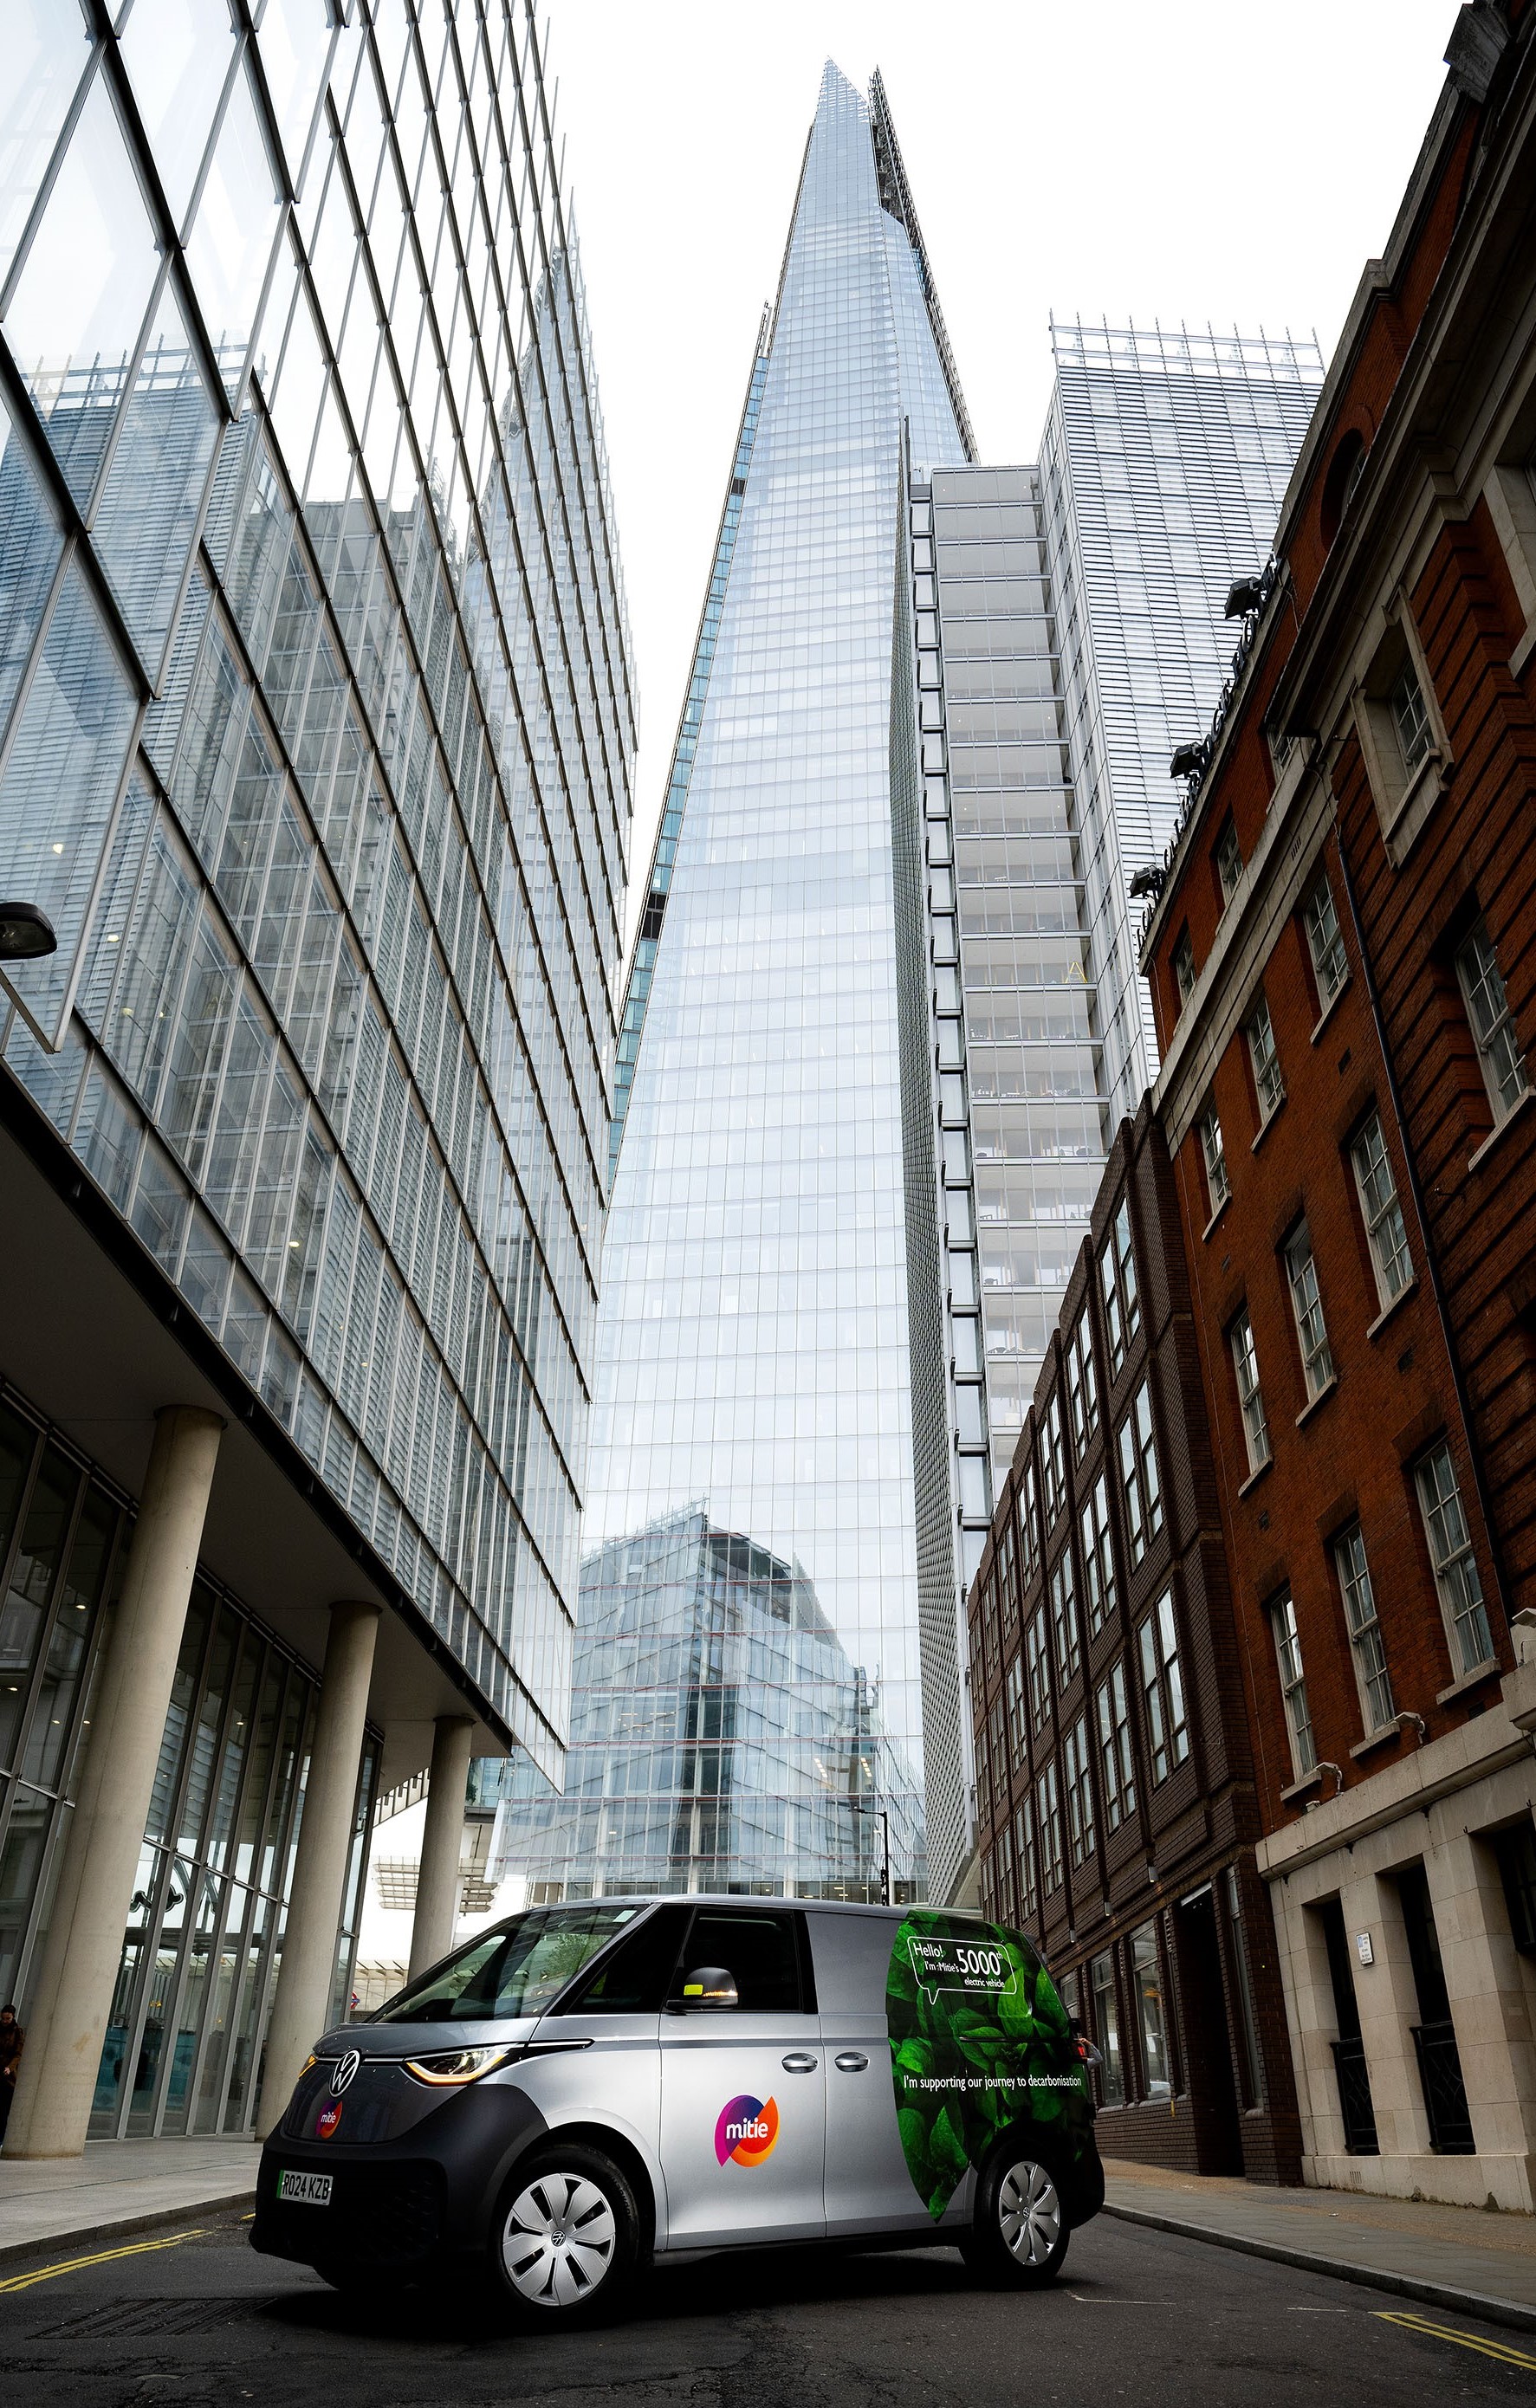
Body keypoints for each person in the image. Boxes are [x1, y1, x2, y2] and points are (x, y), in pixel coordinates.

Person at [0, 2004, 22, 2142]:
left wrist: (10, 2067)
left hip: (8, 2075)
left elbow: (18, 2054)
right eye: (3, 2018)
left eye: (8, 2018)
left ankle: (1, 2138)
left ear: (13, 2017)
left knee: (3, 2110)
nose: (5, 2021)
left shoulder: (17, 2032)